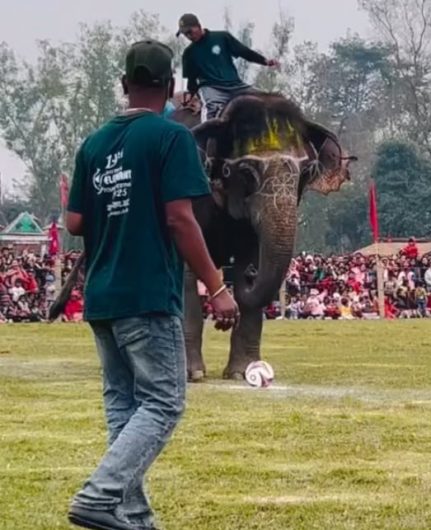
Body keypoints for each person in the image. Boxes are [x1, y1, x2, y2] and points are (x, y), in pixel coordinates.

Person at [64, 40, 239, 530]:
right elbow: (181, 219)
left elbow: (75, 222)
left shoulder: (93, 145)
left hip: (102, 297)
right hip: (146, 294)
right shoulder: (170, 138)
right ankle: (99, 496)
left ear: (124, 84)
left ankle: (134, 516)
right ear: (171, 86)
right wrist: (217, 287)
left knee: (124, 407)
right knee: (163, 402)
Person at [177, 13, 279, 121]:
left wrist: (265, 61)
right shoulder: (189, 53)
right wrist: (191, 94)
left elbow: (244, 52)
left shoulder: (222, 37)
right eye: (185, 34)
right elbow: (192, 79)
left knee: (268, 101)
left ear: (198, 26)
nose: (188, 36)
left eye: (189, 32)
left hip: (236, 85)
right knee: (211, 108)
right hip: (212, 88)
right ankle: (206, 130)